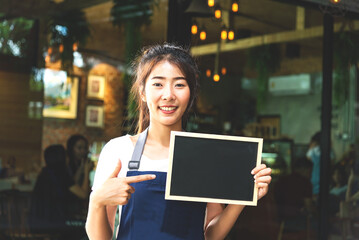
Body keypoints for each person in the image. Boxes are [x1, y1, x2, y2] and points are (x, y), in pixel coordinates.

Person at [85, 43, 272, 240]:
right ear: (142, 92)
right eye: (158, 84)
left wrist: (243, 194)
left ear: (191, 93)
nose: (168, 95)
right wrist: (96, 201)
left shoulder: (204, 154)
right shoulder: (118, 150)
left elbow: (211, 235)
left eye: (179, 84)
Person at [29, 144, 91, 234]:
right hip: (56, 224)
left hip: (37, 223)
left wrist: (81, 169)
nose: (68, 158)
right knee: (87, 227)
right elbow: (83, 194)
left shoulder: (45, 172)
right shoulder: (61, 174)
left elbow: (71, 184)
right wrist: (86, 172)